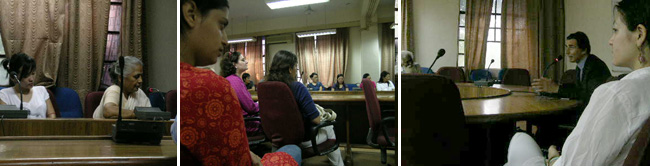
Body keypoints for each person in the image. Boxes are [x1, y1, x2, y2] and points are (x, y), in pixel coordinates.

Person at [505, 0, 650, 165]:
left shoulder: (616, 94)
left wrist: (553, 158)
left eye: (615, 30)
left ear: (639, 34)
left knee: (519, 138)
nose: (610, 40)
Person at [179, 0, 299, 165]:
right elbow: (250, 107)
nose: (225, 41)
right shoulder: (214, 86)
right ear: (191, 14)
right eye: (221, 26)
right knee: (293, 148)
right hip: (250, 125)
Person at [266, 50, 344, 166]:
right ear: (289, 69)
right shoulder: (298, 87)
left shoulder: (266, 87)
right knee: (330, 126)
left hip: (277, 139)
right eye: (295, 67)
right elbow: (316, 120)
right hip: (302, 139)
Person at [533, 32, 612, 106]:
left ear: (584, 50)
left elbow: (589, 95)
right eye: (566, 47)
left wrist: (557, 89)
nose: (567, 52)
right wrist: (549, 89)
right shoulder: (581, 65)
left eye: (571, 47)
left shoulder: (595, 66)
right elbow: (577, 89)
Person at [0, 53, 55, 119]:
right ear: (13, 77)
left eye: (33, 73)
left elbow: (52, 115)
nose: (31, 79)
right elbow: (4, 122)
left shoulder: (41, 90)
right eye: (26, 75)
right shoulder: (4, 95)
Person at [220, 51, 262, 136]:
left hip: (239, 121)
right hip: (247, 124)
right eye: (243, 60)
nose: (246, 62)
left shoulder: (229, 79)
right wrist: (264, 105)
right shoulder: (235, 81)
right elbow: (251, 108)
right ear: (234, 64)